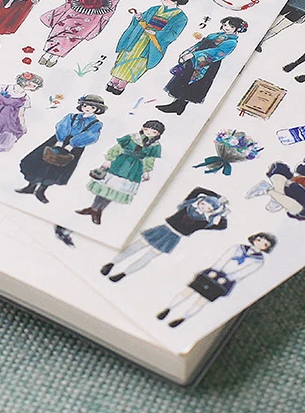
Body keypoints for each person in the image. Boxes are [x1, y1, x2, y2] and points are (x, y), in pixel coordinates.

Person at [100, 187, 229, 282]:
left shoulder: (203, 222)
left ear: (211, 211)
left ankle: (124, 273)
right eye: (203, 203)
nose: (203, 207)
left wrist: (223, 214)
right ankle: (112, 263)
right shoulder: (186, 206)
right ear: (200, 201)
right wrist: (216, 195)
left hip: (173, 238)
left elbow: (222, 226)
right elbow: (197, 190)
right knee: (137, 245)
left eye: (208, 208)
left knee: (148, 256)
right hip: (163, 229)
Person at [157, 233, 277, 327]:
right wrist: (215, 270)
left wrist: (228, 278)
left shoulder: (258, 261)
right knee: (189, 290)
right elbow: (224, 258)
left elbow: (243, 272)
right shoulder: (238, 247)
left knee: (203, 300)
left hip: (226, 281)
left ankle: (183, 318)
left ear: (267, 248)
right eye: (259, 239)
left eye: (265, 244)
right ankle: (168, 308)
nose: (260, 243)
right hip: (215, 272)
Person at [16, 94, 107, 203]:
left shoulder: (96, 124)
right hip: (58, 140)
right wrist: (60, 140)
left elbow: (91, 136)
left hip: (76, 146)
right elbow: (62, 126)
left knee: (58, 168)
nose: (88, 108)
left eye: (92, 107)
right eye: (85, 105)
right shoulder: (72, 116)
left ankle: (41, 190)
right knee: (42, 161)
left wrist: (72, 144)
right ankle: (31, 186)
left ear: (97, 109)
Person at [77, 119, 164, 225]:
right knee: (106, 186)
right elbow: (117, 148)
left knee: (116, 190)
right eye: (147, 129)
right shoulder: (132, 137)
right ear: (143, 128)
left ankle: (99, 210)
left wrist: (146, 171)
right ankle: (94, 208)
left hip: (133, 169)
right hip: (119, 163)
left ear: (158, 134)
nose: (149, 133)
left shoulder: (155, 145)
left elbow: (150, 159)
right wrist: (108, 159)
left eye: (153, 132)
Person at [157, 16, 248, 115]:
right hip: (194, 59)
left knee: (194, 84)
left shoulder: (231, 42)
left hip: (207, 63)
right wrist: (188, 52)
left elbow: (217, 52)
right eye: (225, 25)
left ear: (237, 29)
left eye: (231, 26)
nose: (227, 28)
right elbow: (199, 44)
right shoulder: (216, 35)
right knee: (183, 80)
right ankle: (176, 105)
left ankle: (179, 106)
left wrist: (195, 55)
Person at [106, 0, 188, 95]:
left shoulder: (181, 18)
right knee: (125, 57)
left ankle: (122, 85)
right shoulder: (154, 9)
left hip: (152, 44)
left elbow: (173, 34)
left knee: (139, 63)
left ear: (175, 1)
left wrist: (156, 33)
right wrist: (138, 18)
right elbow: (142, 19)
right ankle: (113, 80)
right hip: (138, 38)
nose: (162, 0)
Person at [39, 0, 123, 67]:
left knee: (67, 36)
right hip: (80, 17)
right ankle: (49, 56)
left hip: (84, 18)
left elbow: (70, 0)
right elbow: (107, 14)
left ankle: (51, 56)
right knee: (64, 34)